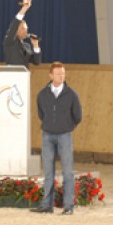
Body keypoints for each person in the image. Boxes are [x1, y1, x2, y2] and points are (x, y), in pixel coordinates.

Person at [31, 62, 82, 215]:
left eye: (63, 74)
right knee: (48, 172)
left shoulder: (71, 94)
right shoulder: (42, 94)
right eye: (59, 74)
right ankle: (47, 205)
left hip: (64, 135)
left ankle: (68, 206)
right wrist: (49, 124)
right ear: (51, 75)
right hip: (47, 135)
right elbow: (41, 113)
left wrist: (67, 126)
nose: (61, 76)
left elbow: (77, 116)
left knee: (67, 172)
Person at [2, 0, 41, 68]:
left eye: (26, 29)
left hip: (24, 78)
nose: (26, 31)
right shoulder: (9, 41)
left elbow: (36, 62)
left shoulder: (27, 46)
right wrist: (24, 8)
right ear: (16, 30)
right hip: (12, 76)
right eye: (23, 29)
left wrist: (36, 46)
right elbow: (15, 24)